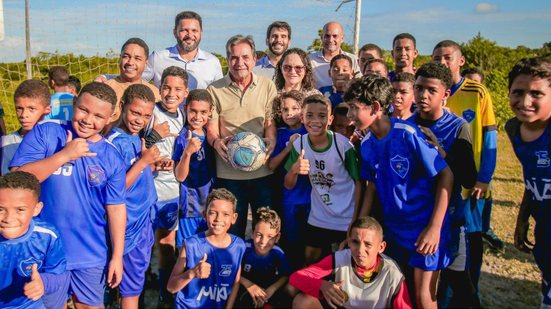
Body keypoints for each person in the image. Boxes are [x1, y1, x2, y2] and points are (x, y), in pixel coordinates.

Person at [10, 82, 126, 309]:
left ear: (110, 118)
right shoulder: (47, 132)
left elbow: (116, 208)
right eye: (83, 110)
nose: (87, 119)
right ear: (74, 104)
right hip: (43, 251)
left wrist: (117, 257)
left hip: (89, 253)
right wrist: (64, 155)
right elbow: (17, 179)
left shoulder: (111, 157)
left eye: (97, 116)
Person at [345, 74, 453, 308]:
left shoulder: (407, 133)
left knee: (425, 298)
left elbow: (446, 175)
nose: (350, 115)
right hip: (394, 230)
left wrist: (434, 228)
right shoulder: (366, 144)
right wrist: (356, 225)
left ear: (375, 107)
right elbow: (370, 187)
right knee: (400, 294)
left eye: (354, 108)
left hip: (424, 228)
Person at [432, 40, 501, 299]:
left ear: (460, 60)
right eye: (437, 57)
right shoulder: (431, 90)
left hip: (471, 185)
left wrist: (484, 179)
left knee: (470, 244)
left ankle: (471, 297)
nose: (442, 62)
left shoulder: (478, 92)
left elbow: (490, 138)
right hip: (441, 183)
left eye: (447, 57)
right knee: (447, 245)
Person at [409, 62, 479, 308]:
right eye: (418, 88)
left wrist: (440, 152)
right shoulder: (406, 123)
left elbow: (469, 178)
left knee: (457, 280)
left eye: (430, 90)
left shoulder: (457, 127)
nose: (422, 95)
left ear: (445, 94)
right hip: (413, 219)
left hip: (449, 220)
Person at [206, 35, 277, 238]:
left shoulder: (267, 86)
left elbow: (269, 123)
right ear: (227, 60)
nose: (240, 63)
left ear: (254, 59)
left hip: (262, 172)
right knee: (232, 231)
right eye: (234, 58)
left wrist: (271, 139)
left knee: (264, 229)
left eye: (245, 57)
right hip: (229, 174)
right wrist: (216, 141)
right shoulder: (214, 89)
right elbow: (211, 128)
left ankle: (259, 269)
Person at [284, 94, 361, 265]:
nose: (315, 121)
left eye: (322, 115)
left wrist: (355, 219)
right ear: (302, 118)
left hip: (346, 217)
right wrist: (294, 171)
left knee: (347, 263)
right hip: (319, 216)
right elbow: (288, 185)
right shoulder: (300, 144)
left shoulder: (342, 145)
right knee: (310, 258)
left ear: (330, 119)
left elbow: (359, 183)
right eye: (310, 115)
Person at [106, 84, 161, 309]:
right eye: (135, 112)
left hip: (142, 221)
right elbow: (116, 189)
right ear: (122, 107)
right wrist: (143, 162)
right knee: (129, 290)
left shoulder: (134, 137)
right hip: (128, 227)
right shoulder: (114, 143)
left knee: (132, 285)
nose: (140, 119)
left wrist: (151, 164)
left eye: (146, 115)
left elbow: (138, 175)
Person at [505, 56, 551, 309]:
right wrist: (523, 218)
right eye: (518, 92)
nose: (525, 102)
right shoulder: (514, 129)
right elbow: (531, 179)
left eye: (536, 93)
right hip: (544, 232)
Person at [290, 216, 412, 309]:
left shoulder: (392, 272)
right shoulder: (339, 259)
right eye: (355, 242)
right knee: (303, 301)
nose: (360, 250)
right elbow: (295, 278)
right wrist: (322, 285)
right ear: (348, 241)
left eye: (368, 244)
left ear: (381, 247)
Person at [143, 65, 189, 306]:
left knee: (166, 243)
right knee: (141, 243)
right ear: (159, 88)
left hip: (171, 190)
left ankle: (165, 294)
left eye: (177, 89)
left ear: (185, 92)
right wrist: (152, 155)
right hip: (147, 190)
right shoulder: (150, 114)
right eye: (167, 87)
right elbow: (138, 145)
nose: (171, 93)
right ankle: (134, 289)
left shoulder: (184, 115)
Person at [0, 171, 70, 309]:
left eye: (20, 209)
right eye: (1, 209)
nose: (8, 219)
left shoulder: (47, 236)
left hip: (28, 305)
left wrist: (43, 283)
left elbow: (59, 274)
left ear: (36, 209)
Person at [167, 188, 246, 309]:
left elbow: (235, 283)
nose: (218, 219)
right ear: (204, 214)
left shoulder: (239, 246)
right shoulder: (191, 245)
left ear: (234, 218)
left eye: (225, 214)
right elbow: (171, 287)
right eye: (213, 212)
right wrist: (192, 273)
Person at [268, 90, 310, 269]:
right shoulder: (281, 133)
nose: (290, 113)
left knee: (310, 240)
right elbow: (271, 165)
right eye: (285, 109)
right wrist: (288, 148)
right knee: (291, 240)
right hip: (289, 197)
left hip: (310, 196)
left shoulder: (311, 129)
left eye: (295, 108)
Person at [173, 89, 216, 247]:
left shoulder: (210, 135)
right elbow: (180, 176)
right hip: (191, 206)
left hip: (210, 205)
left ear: (210, 111)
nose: (198, 117)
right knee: (188, 250)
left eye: (203, 112)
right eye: (193, 111)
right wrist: (188, 152)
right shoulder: (183, 138)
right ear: (185, 108)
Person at [143, 11, 223, 90]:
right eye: (184, 30)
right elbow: (137, 82)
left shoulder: (212, 62)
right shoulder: (157, 58)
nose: (190, 35)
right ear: (175, 32)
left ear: (201, 33)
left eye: (194, 30)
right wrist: (156, 95)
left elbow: (219, 94)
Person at [237, 207, 292, 308]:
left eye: (270, 237)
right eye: (259, 235)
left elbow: (285, 276)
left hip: (267, 292)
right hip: (245, 290)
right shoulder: (243, 248)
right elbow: (232, 271)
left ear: (277, 237)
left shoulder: (278, 253)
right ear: (252, 233)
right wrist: (249, 285)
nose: (263, 241)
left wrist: (272, 289)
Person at [104, 37, 161, 132]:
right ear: (120, 58)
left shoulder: (156, 94)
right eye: (126, 56)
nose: (130, 62)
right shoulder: (105, 89)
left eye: (137, 58)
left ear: (146, 63)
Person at [1, 80, 51, 176]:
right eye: (19, 108)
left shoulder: (58, 139)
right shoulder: (5, 143)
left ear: (47, 109)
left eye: (31, 109)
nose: (24, 115)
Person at [309, 21, 361, 89]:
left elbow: (359, 83)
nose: (330, 40)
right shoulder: (310, 60)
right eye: (327, 36)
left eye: (335, 36)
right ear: (321, 38)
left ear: (342, 38)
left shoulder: (353, 59)